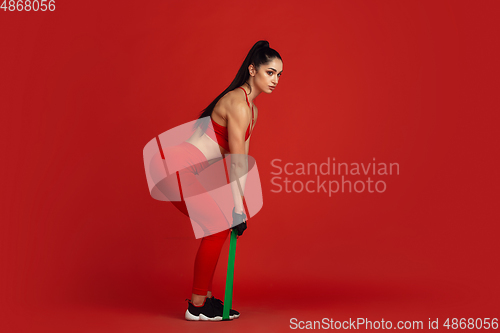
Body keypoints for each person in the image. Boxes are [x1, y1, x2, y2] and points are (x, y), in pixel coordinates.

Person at [160, 40, 283, 321]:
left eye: (279, 75)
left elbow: (241, 162)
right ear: (252, 70)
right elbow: (237, 161)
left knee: (217, 227)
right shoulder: (238, 104)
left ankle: (207, 299)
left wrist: (236, 202)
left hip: (191, 173)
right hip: (177, 170)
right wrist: (236, 207)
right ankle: (196, 306)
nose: (275, 80)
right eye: (270, 72)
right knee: (218, 227)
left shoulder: (251, 109)